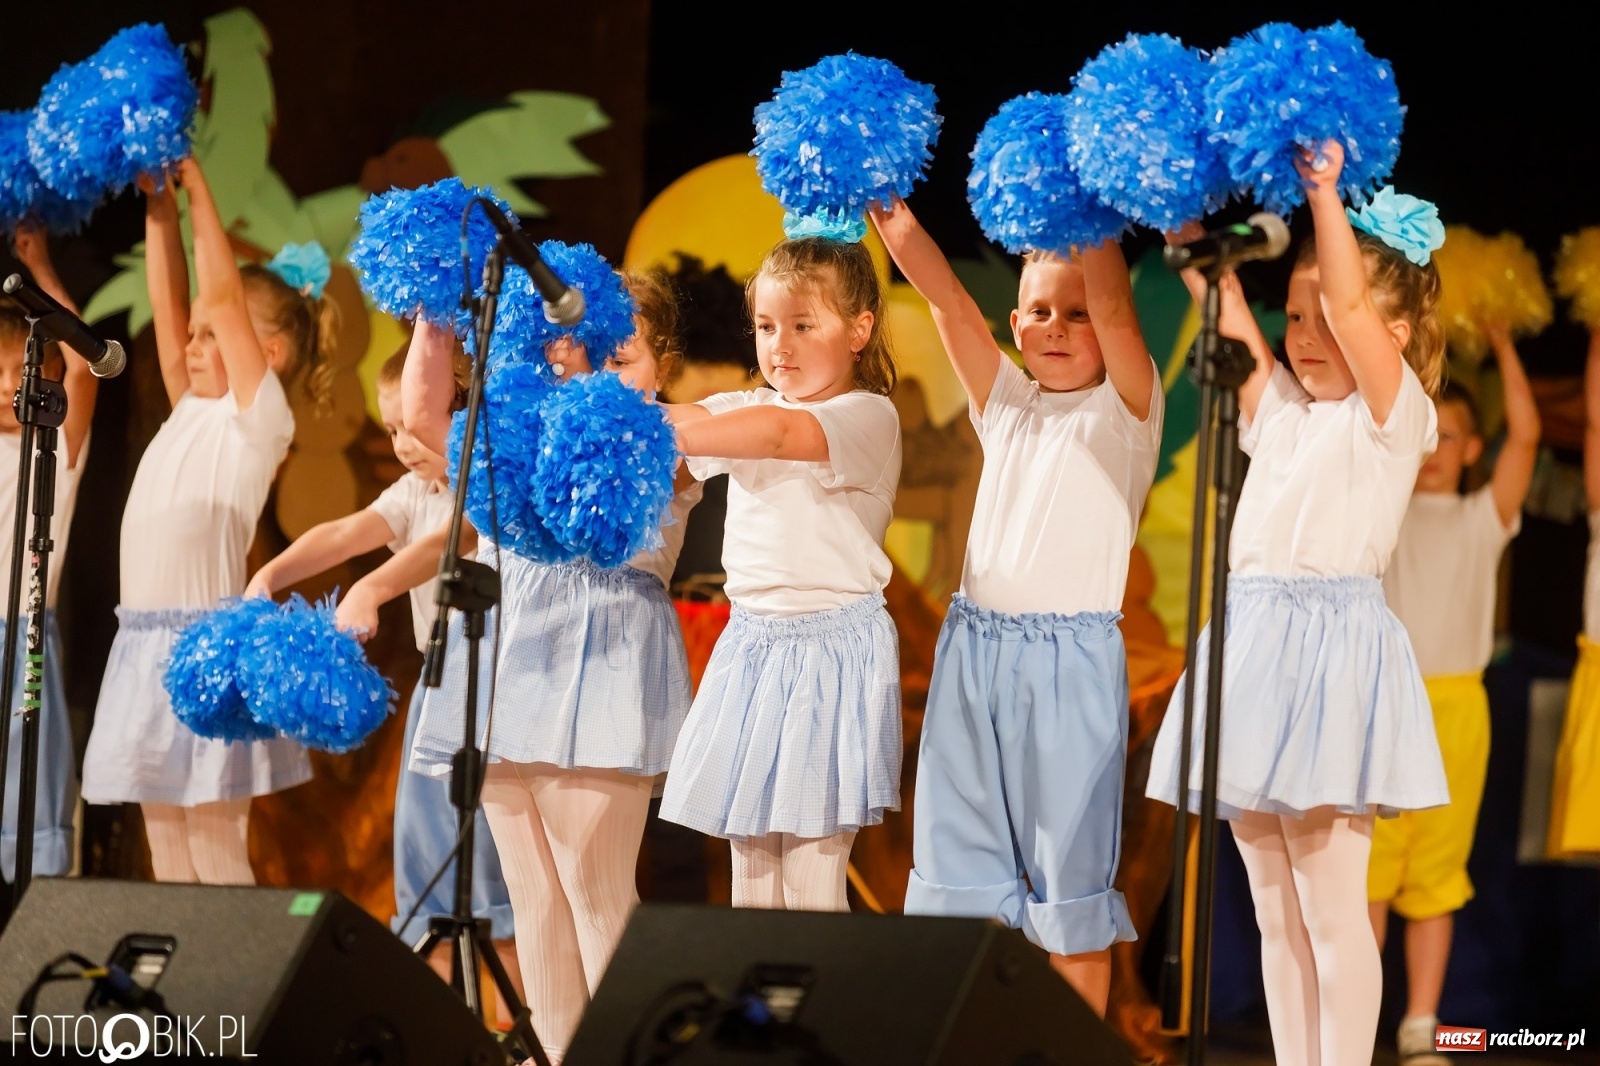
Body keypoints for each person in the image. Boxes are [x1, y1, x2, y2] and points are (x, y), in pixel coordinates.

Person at [340, 269, 699, 1065]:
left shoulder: (666, 437)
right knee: (534, 900)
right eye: (582, 351)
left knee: (596, 894)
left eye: (623, 358)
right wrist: (435, 311)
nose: (597, 372)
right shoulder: (524, 429)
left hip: (602, 653)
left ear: (664, 367)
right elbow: (427, 426)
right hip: (511, 648)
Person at [1149, 146, 1450, 1066]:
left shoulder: (1393, 416)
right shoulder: (1282, 411)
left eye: (1328, 316)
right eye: (1297, 314)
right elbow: (1230, 310)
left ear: (1393, 335)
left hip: (1329, 662)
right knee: (1274, 911)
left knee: (1329, 908)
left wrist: (1323, 193)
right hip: (1252, 652)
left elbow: (1351, 305)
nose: (1307, 332)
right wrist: (1181, 226)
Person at [869, 195, 1160, 1015]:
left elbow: (1116, 303)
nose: (1057, 327)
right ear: (1016, 323)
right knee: (957, 883)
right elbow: (948, 304)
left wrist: (1084, 202)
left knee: (1070, 895)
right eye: (1039, 312)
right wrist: (893, 219)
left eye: (1076, 312)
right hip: (974, 657)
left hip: (1069, 670)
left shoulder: (1126, 412)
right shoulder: (1006, 403)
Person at [80, 159, 330, 883]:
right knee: (169, 858)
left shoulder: (258, 420)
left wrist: (197, 185)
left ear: (267, 353)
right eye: (193, 337)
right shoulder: (190, 404)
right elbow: (172, 302)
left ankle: (241, 966)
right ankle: (187, 970)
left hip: (207, 647)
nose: (191, 345)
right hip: (142, 645)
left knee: (216, 854)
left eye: (211, 336)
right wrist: (158, 205)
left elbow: (219, 294)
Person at [242, 347, 519, 1000]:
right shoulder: (415, 491)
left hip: (494, 685)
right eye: (392, 429)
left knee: (490, 867)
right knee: (428, 862)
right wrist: (270, 575)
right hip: (438, 684)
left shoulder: (490, 489)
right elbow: (345, 532)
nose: (401, 444)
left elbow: (447, 543)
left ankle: (517, 1018)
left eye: (413, 427)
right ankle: (443, 1017)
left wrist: (372, 589)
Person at [658, 235, 903, 915]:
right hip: (752, 646)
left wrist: (648, 428)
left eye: (802, 325)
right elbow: (690, 416)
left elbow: (776, 436)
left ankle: (824, 991)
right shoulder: (750, 405)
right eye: (766, 327)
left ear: (859, 330)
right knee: (752, 879)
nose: (779, 346)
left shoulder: (866, 415)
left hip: (830, 650)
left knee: (810, 883)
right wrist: (600, 411)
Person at [1373, 325, 1538, 1063]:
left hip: (1457, 714)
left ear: (1473, 448)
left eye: (1451, 436)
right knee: (1369, 873)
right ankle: (1354, 1018)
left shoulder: (1482, 519)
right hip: (1383, 706)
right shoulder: (1381, 511)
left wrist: (1501, 341)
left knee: (1437, 876)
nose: (1436, 449)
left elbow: (1526, 438)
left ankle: (1422, 1023)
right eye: (1427, 433)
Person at [0, 221, 97, 882]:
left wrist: (40, 274)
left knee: (31, 802)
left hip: (27, 635)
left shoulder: (53, 451)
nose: (10, 383)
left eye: (22, 369)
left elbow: (89, 364)